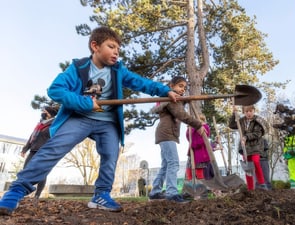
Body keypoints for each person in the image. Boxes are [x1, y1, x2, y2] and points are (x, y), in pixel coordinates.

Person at [0, 26, 180, 215]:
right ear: (95, 46)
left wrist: (164, 91)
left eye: (118, 49)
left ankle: (101, 195)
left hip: (107, 122)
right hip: (80, 117)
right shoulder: (78, 68)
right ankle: (16, 190)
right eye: (111, 47)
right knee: (54, 148)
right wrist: (84, 103)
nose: (116, 52)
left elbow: (142, 82)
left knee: (111, 154)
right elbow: (55, 90)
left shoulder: (118, 70)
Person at [149, 76, 206, 203]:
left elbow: (179, 109)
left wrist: (185, 101)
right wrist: (197, 124)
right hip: (167, 134)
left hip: (165, 134)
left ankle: (155, 192)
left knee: (166, 165)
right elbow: (181, 114)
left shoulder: (174, 100)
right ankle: (172, 194)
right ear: (171, 86)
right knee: (174, 163)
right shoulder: (171, 99)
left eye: (184, 88)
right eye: (180, 86)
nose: (182, 89)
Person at [20, 106, 59, 199]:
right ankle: (22, 192)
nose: (42, 112)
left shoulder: (54, 124)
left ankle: (37, 195)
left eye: (44, 111)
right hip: (33, 150)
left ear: (49, 113)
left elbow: (54, 138)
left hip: (44, 151)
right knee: (25, 171)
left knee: (42, 173)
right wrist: (25, 149)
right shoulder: (40, 124)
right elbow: (32, 137)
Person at [229, 105, 268, 190]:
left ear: (254, 111)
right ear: (244, 112)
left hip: (256, 146)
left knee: (256, 162)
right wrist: (233, 114)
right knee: (248, 168)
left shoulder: (257, 121)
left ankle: (262, 184)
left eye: (250, 111)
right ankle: (250, 188)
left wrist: (246, 137)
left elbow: (257, 134)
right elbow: (231, 125)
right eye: (246, 111)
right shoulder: (242, 121)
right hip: (245, 147)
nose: (249, 113)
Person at [185, 114, 211, 182]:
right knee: (189, 167)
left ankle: (201, 184)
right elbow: (188, 137)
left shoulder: (205, 127)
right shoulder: (192, 128)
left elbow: (204, 139)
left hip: (200, 152)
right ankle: (191, 182)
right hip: (192, 151)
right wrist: (189, 129)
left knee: (200, 167)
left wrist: (194, 144)